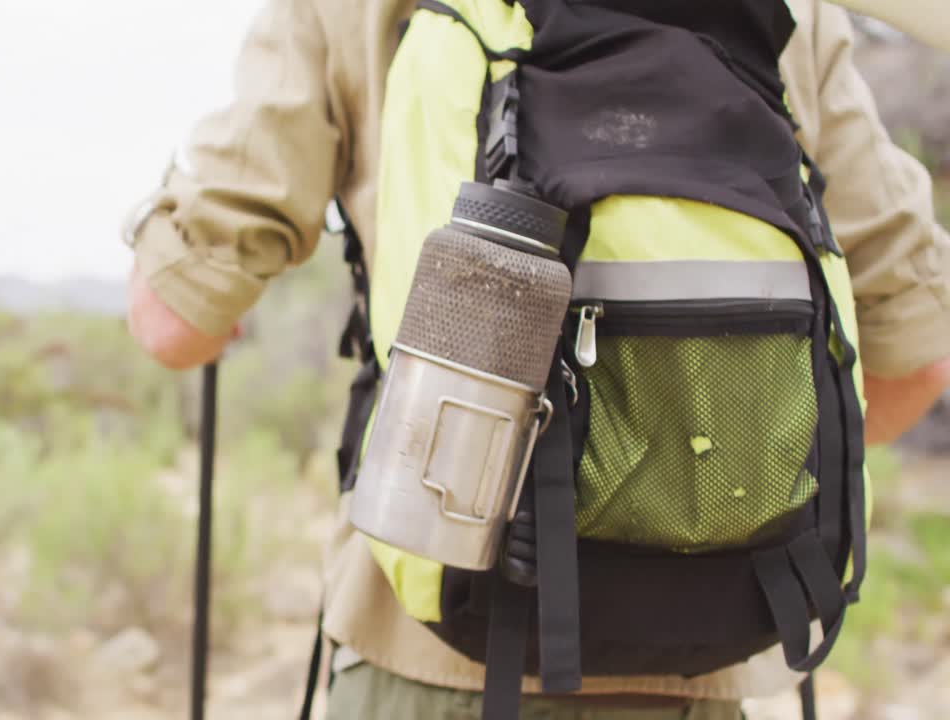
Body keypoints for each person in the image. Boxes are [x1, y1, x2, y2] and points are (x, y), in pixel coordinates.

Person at [122, 1, 950, 717]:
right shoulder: (790, 17)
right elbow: (912, 365)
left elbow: (175, 322)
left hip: (428, 657)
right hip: (707, 650)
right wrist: (694, 462)